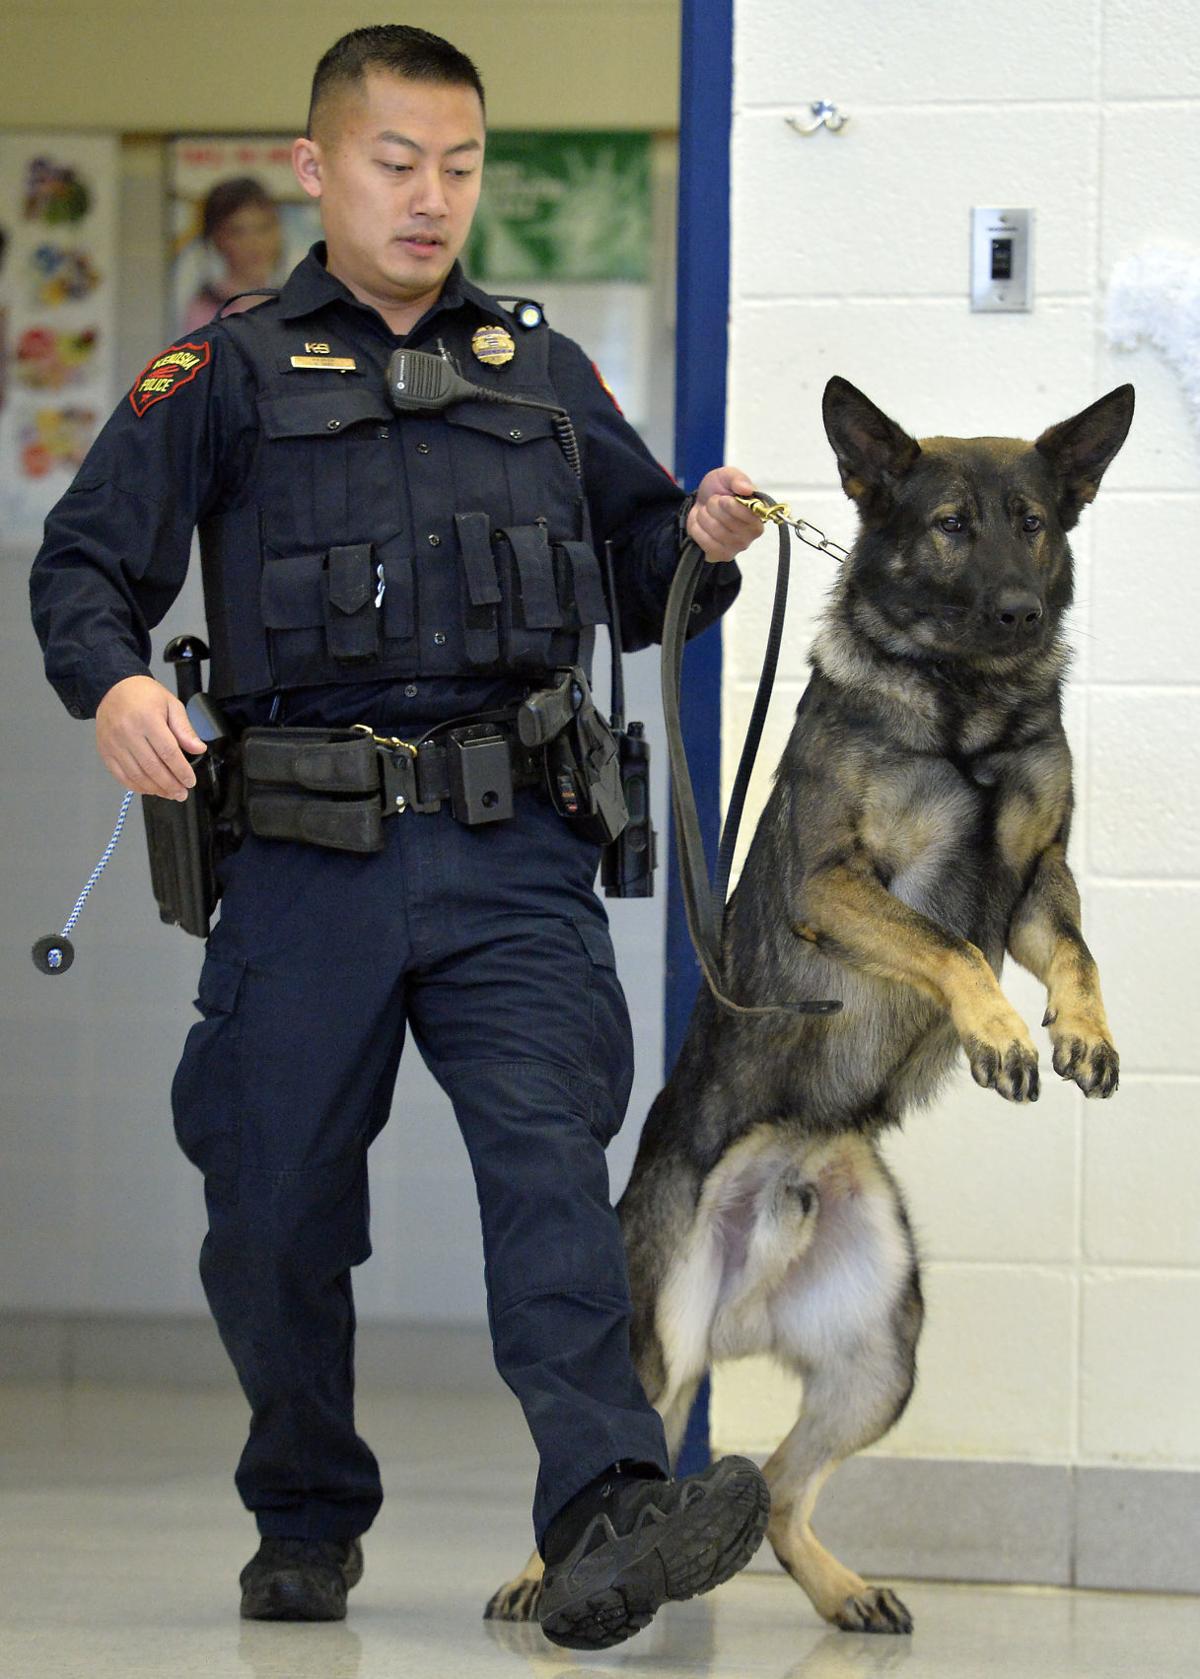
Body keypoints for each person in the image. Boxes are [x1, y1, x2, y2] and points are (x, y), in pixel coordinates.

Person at [29, 25, 769, 1650]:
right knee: (271, 1206)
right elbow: (80, 567)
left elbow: (649, 572)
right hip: (306, 859)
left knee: (545, 1173)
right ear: (315, 167)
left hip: (517, 852)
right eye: (397, 163)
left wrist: (699, 539)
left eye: (462, 165)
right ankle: (305, 1504)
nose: (435, 199)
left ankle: (602, 1512)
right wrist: (114, 686)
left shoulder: (544, 373)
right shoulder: (220, 374)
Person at [179, 176, 284, 333]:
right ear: (217, 239)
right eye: (238, 232)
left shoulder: (295, 302)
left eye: (264, 228)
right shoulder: (206, 312)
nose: (254, 243)